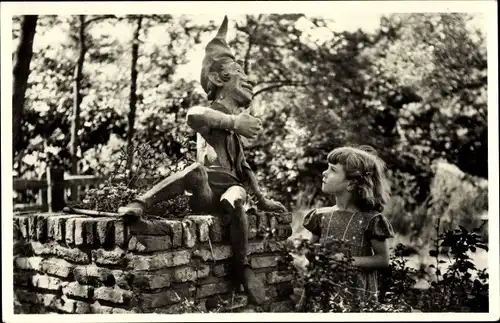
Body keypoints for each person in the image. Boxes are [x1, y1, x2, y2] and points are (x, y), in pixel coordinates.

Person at [117, 16, 287, 305]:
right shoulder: (215, 116)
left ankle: (241, 268)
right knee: (196, 170)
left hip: (232, 194)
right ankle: (140, 203)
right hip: (205, 193)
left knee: (235, 198)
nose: (249, 78)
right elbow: (193, 115)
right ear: (219, 78)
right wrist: (233, 122)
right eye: (238, 71)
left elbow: (243, 169)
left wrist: (262, 199)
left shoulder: (235, 132)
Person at [299, 145, 395, 308]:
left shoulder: (370, 220)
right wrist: (311, 253)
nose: (324, 173)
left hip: (354, 292)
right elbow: (310, 252)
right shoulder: (320, 215)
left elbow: (382, 259)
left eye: (333, 170)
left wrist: (347, 261)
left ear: (351, 184)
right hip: (322, 287)